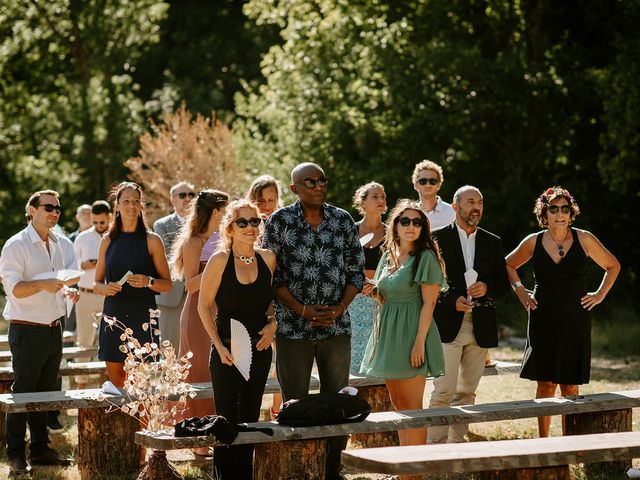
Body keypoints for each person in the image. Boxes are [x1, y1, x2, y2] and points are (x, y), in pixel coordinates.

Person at [262, 162, 365, 480]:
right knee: (295, 401)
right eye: (310, 181)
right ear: (294, 188)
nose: (318, 186)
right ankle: (297, 468)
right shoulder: (279, 222)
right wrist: (302, 310)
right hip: (293, 329)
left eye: (322, 181)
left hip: (337, 328)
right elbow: (272, 276)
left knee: (339, 399)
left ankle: (333, 468)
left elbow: (356, 270)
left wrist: (339, 307)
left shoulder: (343, 220)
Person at [505, 186, 620, 437]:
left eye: (564, 209)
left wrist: (599, 295)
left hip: (575, 317)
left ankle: (572, 442)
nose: (559, 213)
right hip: (542, 316)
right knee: (545, 383)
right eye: (553, 209)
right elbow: (508, 265)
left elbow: (613, 266)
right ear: (544, 214)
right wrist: (521, 291)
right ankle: (543, 441)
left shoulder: (585, 239)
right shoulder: (532, 241)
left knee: (570, 384)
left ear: (571, 213)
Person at [360, 200, 446, 461]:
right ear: (395, 225)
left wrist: (419, 342)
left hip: (412, 334)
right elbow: (388, 295)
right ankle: (404, 468)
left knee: (413, 409)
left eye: (417, 222)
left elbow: (429, 302)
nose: (411, 226)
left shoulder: (426, 257)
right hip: (388, 333)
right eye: (405, 221)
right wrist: (373, 290)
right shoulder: (390, 254)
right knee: (399, 407)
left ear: (423, 228)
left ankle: (414, 472)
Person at [198, 199, 277, 479]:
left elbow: (272, 304)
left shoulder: (268, 258)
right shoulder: (220, 260)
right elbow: (203, 306)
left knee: (251, 417)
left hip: (260, 347)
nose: (249, 227)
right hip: (227, 350)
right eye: (241, 222)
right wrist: (218, 346)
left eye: (254, 221)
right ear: (229, 228)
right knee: (226, 420)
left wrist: (274, 324)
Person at [0, 189, 77, 474]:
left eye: (58, 208)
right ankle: (16, 455)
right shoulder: (15, 245)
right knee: (23, 395)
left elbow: (60, 281)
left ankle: (42, 450)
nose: (55, 212)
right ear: (32, 210)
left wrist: (68, 292)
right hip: (26, 330)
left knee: (45, 394)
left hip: (53, 328)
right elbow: (14, 290)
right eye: (48, 207)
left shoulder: (58, 243)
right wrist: (43, 284)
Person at [427, 186, 509, 444]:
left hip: (481, 324)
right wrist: (452, 300)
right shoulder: (436, 239)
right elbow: (429, 282)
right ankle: (435, 447)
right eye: (470, 202)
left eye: (480, 203)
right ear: (455, 206)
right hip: (448, 323)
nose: (476, 207)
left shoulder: (492, 241)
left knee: (467, 392)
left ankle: (457, 445)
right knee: (443, 390)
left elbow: (502, 283)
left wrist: (487, 287)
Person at [94, 182, 172, 388]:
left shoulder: (152, 240)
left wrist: (149, 281)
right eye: (126, 201)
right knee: (117, 380)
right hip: (114, 315)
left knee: (146, 383)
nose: (131, 205)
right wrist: (106, 288)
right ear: (117, 206)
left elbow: (167, 285)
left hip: (143, 315)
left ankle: (148, 421)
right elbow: (96, 283)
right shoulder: (107, 240)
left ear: (141, 206)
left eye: (136, 201)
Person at [171, 189, 228, 457]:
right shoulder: (193, 241)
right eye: (225, 210)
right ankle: (197, 435)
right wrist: (217, 268)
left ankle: (217, 429)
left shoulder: (225, 237)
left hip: (222, 310)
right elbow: (191, 283)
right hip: (197, 312)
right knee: (199, 373)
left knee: (219, 373)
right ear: (216, 211)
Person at [246, 174, 283, 418]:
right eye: (261, 200)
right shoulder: (247, 227)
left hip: (281, 294)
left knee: (283, 355)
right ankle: (249, 409)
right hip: (253, 297)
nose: (267, 205)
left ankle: (278, 407)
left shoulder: (284, 224)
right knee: (254, 356)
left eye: (272, 199)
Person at [153, 181, 196, 351]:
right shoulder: (161, 225)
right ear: (172, 200)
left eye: (191, 195)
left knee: (198, 348)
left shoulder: (204, 225)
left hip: (199, 294)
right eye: (182, 195)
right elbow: (169, 255)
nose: (187, 198)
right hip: (172, 296)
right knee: (170, 349)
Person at [349, 181, 387, 374]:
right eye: (375, 196)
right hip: (353, 300)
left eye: (383, 196)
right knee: (355, 359)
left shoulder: (392, 233)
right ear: (362, 202)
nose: (381, 200)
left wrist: (378, 285)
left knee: (378, 353)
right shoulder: (351, 231)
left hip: (382, 299)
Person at [73, 200, 111, 388]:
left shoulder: (116, 236)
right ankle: (81, 384)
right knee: (85, 340)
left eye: (102, 223)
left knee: (109, 338)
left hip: (108, 294)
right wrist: (84, 265)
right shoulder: (82, 238)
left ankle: (108, 382)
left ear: (109, 218)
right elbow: (73, 265)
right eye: (95, 222)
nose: (98, 226)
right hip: (86, 293)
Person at [412, 160, 455, 230]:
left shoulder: (453, 213)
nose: (428, 185)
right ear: (415, 185)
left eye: (433, 181)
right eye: (423, 181)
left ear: (439, 185)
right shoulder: (409, 214)